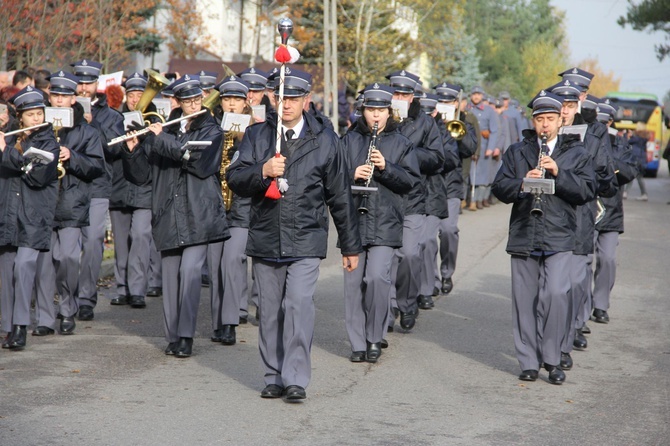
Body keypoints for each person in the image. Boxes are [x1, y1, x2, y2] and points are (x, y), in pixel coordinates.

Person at [226, 68, 362, 401]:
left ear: (306, 100)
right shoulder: (258, 136)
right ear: (273, 98)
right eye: (281, 98)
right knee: (270, 310)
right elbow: (235, 178)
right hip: (267, 235)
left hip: (306, 237)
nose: (286, 105)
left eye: (293, 99)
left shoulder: (325, 139)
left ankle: (296, 376)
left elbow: (340, 195)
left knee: (299, 303)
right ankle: (274, 374)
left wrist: (350, 245)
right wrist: (262, 171)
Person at [491, 90, 596, 385]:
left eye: (550, 119)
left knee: (556, 296)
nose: (545, 125)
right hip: (525, 232)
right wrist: (523, 183)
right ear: (533, 121)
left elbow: (587, 191)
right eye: (540, 120)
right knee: (524, 301)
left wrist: (559, 173)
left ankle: (552, 357)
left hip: (561, 235)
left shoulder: (576, 152)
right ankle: (528, 360)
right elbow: (499, 187)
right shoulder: (518, 151)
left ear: (560, 121)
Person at [122, 74, 228, 358]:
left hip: (199, 214)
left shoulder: (211, 130)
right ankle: (172, 336)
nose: (194, 104)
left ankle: (186, 336)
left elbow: (200, 165)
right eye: (187, 100)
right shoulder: (163, 129)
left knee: (191, 273)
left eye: (197, 99)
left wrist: (160, 140)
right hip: (167, 212)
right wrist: (132, 151)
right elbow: (141, 176)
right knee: (170, 280)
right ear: (177, 102)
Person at [340, 83, 419, 362]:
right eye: (370, 110)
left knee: (376, 278)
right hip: (353, 221)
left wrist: (386, 168)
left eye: (381, 110)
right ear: (362, 111)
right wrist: (351, 173)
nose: (375, 116)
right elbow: (331, 179)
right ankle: (357, 343)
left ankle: (375, 337)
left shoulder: (401, 143)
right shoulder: (348, 141)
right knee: (353, 285)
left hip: (385, 221)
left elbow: (410, 182)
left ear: (389, 112)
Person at [33, 71, 105, 335]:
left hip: (72, 202)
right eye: (56, 95)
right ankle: (44, 318)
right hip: (42, 201)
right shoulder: (38, 127)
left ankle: (67, 307)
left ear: (74, 98)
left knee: (67, 258)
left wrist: (72, 155)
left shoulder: (86, 131)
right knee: (43, 263)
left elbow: (97, 166)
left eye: (65, 96)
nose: (60, 100)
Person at [0, 86, 60, 349]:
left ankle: (22, 325)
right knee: (6, 272)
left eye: (39, 113)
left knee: (24, 268)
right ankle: (7, 327)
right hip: (7, 214)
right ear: (20, 116)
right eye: (31, 114)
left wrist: (5, 152)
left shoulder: (48, 142)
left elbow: (35, 175)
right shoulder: (10, 138)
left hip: (34, 215)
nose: (36, 118)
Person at [385, 70, 444, 331]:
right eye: (395, 93)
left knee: (409, 254)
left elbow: (437, 158)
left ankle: (407, 303)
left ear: (412, 97)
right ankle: (385, 311)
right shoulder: (380, 116)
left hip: (412, 198)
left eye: (404, 94)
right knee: (386, 258)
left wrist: (408, 154)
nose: (399, 98)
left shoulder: (425, 122)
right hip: (385, 198)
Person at [71, 59, 124, 320]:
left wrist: (92, 125)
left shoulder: (111, 115)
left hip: (98, 187)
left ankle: (86, 299)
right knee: (66, 248)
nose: (83, 88)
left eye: (88, 82)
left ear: (96, 84)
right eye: (79, 82)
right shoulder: (63, 110)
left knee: (92, 242)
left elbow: (114, 148)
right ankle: (65, 297)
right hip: (68, 185)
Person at [589, 99, 637, 342]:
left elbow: (629, 172)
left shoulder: (620, 144)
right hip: (586, 206)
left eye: (603, 122)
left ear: (609, 122)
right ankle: (580, 304)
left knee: (607, 258)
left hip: (610, 210)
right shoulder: (583, 139)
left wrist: (608, 160)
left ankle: (600, 304)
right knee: (583, 259)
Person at [210, 75, 253, 345]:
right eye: (227, 99)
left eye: (236, 100)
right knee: (215, 267)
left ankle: (230, 322)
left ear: (245, 102)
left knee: (231, 262)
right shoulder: (211, 127)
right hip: (214, 206)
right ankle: (217, 321)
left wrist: (240, 144)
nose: (232, 105)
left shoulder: (256, 130)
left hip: (242, 207)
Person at [107, 72, 154, 310]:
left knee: (141, 236)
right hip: (119, 187)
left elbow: (158, 150)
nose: (136, 99)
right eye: (132, 94)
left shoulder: (156, 118)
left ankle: (137, 289)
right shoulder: (114, 118)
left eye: (140, 94)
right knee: (121, 243)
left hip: (145, 188)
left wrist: (145, 135)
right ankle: (122, 289)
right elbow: (107, 149)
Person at [433, 82, 478, 295]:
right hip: (430, 185)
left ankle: (446, 272)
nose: (444, 105)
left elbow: (470, 149)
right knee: (427, 236)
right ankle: (430, 280)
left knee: (449, 230)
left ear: (456, 103)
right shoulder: (428, 120)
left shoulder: (464, 121)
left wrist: (456, 127)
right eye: (441, 101)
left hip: (452, 183)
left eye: (448, 101)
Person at [416, 92, 459, 308]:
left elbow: (452, 157)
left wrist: (428, 159)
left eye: (428, 112)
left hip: (435, 191)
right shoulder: (409, 126)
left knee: (428, 240)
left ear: (435, 112)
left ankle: (429, 286)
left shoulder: (444, 131)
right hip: (411, 191)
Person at [467, 86, 499, 210]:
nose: (476, 96)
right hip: (469, 145)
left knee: (483, 175)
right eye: (474, 94)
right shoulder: (467, 109)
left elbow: (494, 130)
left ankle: (479, 200)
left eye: (478, 94)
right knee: (471, 173)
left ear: (482, 96)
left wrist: (491, 147)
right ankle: (470, 200)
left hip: (484, 145)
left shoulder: (489, 111)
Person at [625, 129, 649, 201]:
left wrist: (628, 136)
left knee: (631, 176)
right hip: (641, 161)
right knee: (639, 178)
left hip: (635, 160)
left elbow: (626, 143)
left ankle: (625, 192)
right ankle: (644, 194)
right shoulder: (643, 140)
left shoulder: (635, 139)